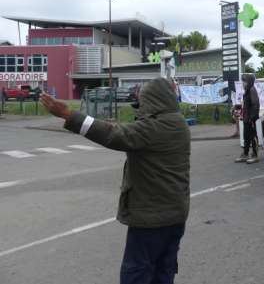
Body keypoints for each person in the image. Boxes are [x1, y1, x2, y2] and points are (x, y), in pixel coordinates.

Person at [40, 77, 191, 284]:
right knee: (163, 271)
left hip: (152, 219)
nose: (140, 107)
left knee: (136, 273)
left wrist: (69, 114)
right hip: (175, 215)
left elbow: (114, 135)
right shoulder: (178, 123)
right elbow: (129, 130)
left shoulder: (154, 128)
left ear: (154, 101)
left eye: (143, 101)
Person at [236, 74, 260, 164]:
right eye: (243, 81)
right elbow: (247, 104)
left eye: (244, 81)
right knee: (246, 137)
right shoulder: (247, 91)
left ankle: (255, 155)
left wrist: (252, 117)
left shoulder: (252, 90)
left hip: (251, 118)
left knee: (253, 137)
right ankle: (245, 154)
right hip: (246, 118)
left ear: (249, 82)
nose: (243, 83)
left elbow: (255, 104)